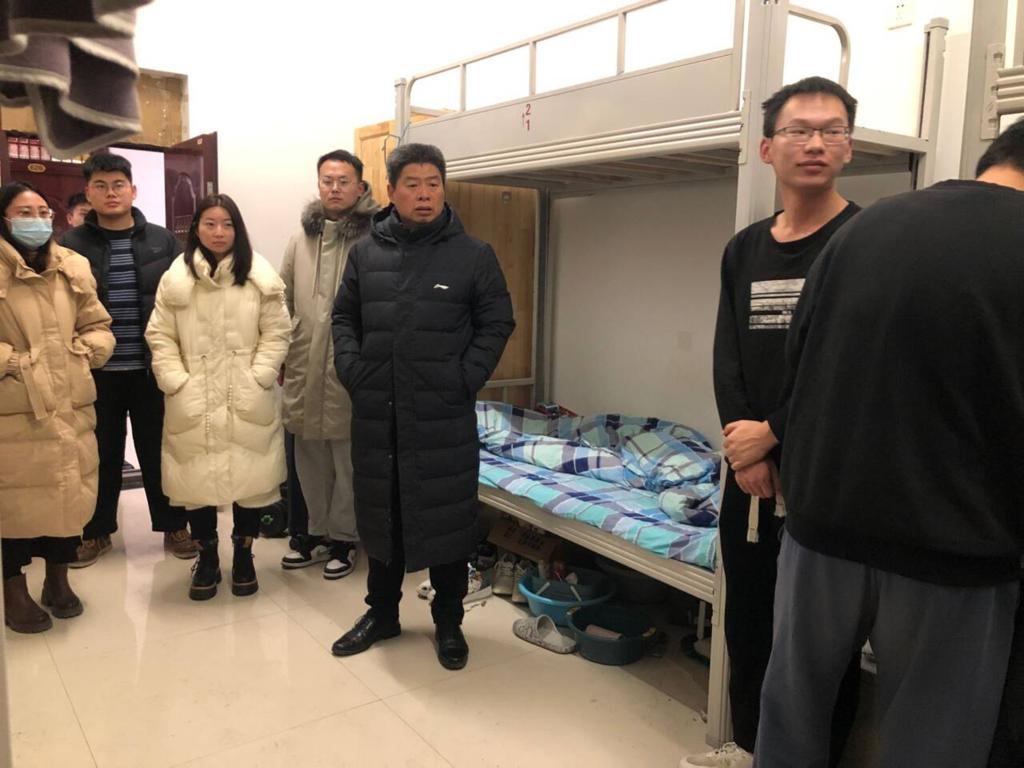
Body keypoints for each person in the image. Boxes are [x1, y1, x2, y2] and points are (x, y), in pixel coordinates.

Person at [754, 119, 1024, 768]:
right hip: (955, 548)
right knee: (930, 745)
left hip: (820, 532)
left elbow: (799, 368)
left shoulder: (866, 227)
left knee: (790, 720)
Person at [686, 77, 861, 768]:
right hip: (749, 478)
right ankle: (753, 751)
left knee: (822, 642)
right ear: (767, 148)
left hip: (826, 481)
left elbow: (849, 364)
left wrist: (775, 431)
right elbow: (727, 354)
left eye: (831, 130)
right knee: (750, 626)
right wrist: (746, 446)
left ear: (849, 146)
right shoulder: (745, 248)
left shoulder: (863, 242)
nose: (815, 143)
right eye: (798, 130)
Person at [330, 142, 514, 670]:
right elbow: (344, 318)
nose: (425, 194)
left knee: (447, 521)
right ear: (392, 190)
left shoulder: (473, 255)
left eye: (433, 183)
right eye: (412, 184)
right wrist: (355, 371)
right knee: (382, 515)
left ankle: (449, 622)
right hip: (378, 412)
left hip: (441, 414)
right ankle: (382, 613)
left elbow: (497, 322)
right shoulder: (366, 254)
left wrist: (465, 378)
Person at [145, 194, 291, 600]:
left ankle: (243, 555)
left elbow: (278, 331)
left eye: (227, 224)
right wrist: (175, 379)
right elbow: (160, 334)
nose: (219, 232)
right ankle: (207, 556)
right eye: (210, 223)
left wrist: (260, 374)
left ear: (237, 229)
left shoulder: (259, 276)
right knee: (197, 477)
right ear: (196, 229)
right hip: (193, 390)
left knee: (250, 476)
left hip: (246, 389)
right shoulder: (176, 278)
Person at [61, 153, 197, 566]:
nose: (111, 193)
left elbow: (184, 301)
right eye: (100, 186)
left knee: (160, 451)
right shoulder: (69, 246)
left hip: (151, 369)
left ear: (133, 190)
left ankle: (174, 525)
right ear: (88, 193)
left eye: (118, 184)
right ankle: (96, 531)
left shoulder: (163, 241)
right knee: (99, 455)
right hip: (96, 371)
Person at [0, 181, 114, 632]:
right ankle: (14, 591)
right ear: (5, 219)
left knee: (68, 491)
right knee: (14, 498)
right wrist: (12, 362)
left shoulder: (72, 264)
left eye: (43, 213)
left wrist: (87, 351)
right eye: (24, 213)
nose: (36, 221)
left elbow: (97, 323)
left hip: (69, 397)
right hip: (14, 401)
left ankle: (58, 579)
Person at [279, 149, 379, 579]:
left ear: (360, 186)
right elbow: (281, 299)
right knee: (309, 454)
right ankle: (314, 533)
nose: (334, 188)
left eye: (343, 181)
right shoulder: (300, 239)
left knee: (347, 458)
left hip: (350, 364)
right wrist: (283, 353)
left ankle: (344, 538)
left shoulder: (375, 239)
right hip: (304, 361)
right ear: (318, 185)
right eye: (327, 180)